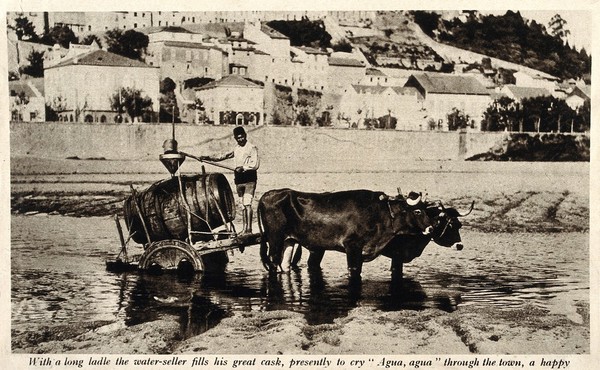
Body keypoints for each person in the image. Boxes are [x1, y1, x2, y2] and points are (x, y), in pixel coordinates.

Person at [199, 126, 259, 234]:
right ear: (235, 138)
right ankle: (244, 229)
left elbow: (255, 164)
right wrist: (207, 157)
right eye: (238, 138)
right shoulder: (236, 149)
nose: (240, 139)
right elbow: (223, 156)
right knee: (242, 205)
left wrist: (243, 168)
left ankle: (249, 230)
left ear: (245, 135)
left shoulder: (252, 147)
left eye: (242, 137)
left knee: (247, 203)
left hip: (250, 179)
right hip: (239, 180)